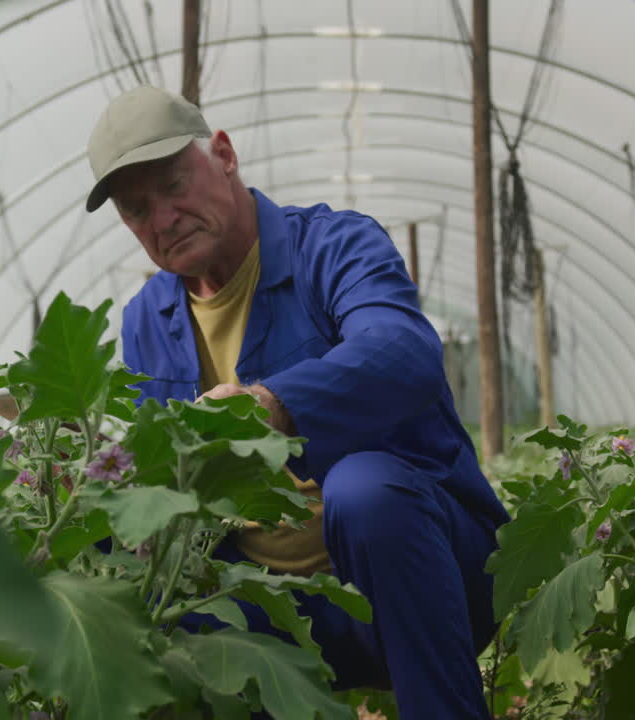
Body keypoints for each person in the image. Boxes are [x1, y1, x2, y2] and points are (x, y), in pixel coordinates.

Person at [85, 85, 510, 719]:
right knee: (118, 559)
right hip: (269, 610)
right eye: (137, 209)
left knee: (366, 489)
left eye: (174, 185)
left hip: (422, 577)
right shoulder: (148, 320)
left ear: (224, 156)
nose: (163, 218)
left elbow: (404, 352)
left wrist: (272, 405)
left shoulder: (335, 248)